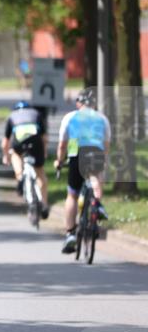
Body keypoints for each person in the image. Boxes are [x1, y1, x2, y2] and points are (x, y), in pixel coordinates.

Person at [54, 88, 111, 254]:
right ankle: (97, 205)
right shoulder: (102, 118)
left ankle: (70, 233)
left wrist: (59, 161)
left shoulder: (70, 117)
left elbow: (63, 144)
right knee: (96, 178)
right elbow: (106, 145)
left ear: (79, 103)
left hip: (76, 151)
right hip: (96, 151)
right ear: (94, 104)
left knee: (72, 194)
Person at [2, 100, 49, 219]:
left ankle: (20, 176)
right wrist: (44, 152)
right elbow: (44, 138)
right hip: (36, 141)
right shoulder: (36, 114)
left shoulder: (12, 116)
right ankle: (44, 204)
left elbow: (5, 142)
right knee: (40, 174)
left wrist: (6, 156)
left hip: (19, 141)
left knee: (14, 154)